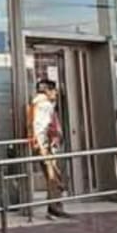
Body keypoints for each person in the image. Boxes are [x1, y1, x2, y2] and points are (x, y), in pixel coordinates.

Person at [29, 79, 67, 217]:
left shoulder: (38, 103)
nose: (56, 93)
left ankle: (55, 206)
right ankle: (55, 208)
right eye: (54, 91)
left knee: (54, 176)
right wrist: (44, 147)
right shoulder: (44, 105)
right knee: (54, 177)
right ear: (47, 91)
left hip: (45, 146)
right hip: (46, 147)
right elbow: (40, 127)